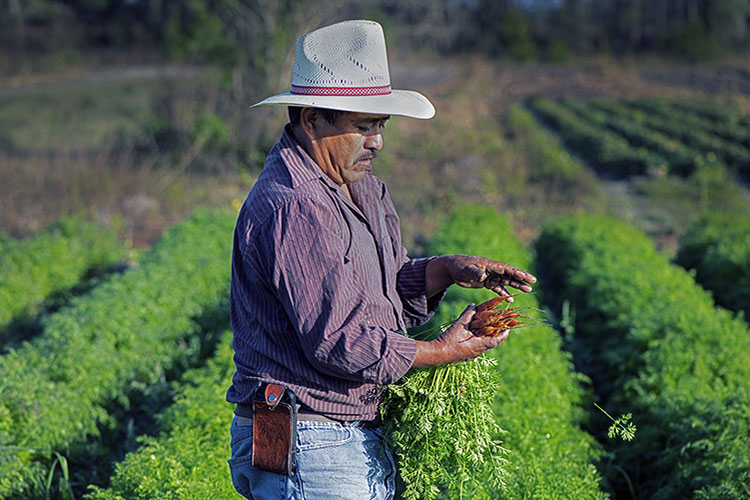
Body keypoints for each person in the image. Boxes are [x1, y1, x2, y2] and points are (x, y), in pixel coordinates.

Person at [227, 19, 536, 500]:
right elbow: (340, 341)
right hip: (309, 441)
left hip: (333, 437)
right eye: (363, 126)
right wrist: (440, 352)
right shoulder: (298, 204)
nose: (377, 142)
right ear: (312, 120)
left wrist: (445, 271)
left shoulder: (358, 186)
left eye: (380, 126)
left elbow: (383, 290)